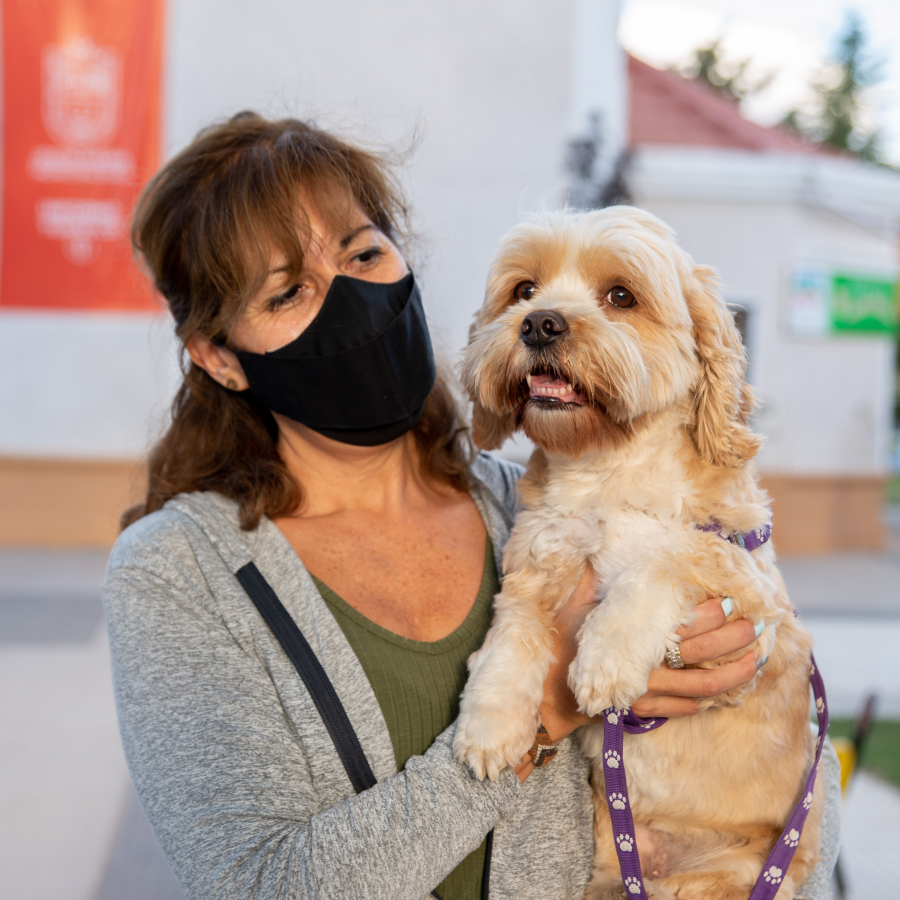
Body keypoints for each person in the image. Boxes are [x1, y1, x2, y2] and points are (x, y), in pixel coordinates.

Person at [103, 112, 840, 900]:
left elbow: (803, 810)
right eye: (289, 290)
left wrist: (749, 677)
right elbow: (260, 884)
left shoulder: (534, 501)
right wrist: (546, 705)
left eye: (362, 252)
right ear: (220, 357)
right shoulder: (178, 573)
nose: (349, 298)